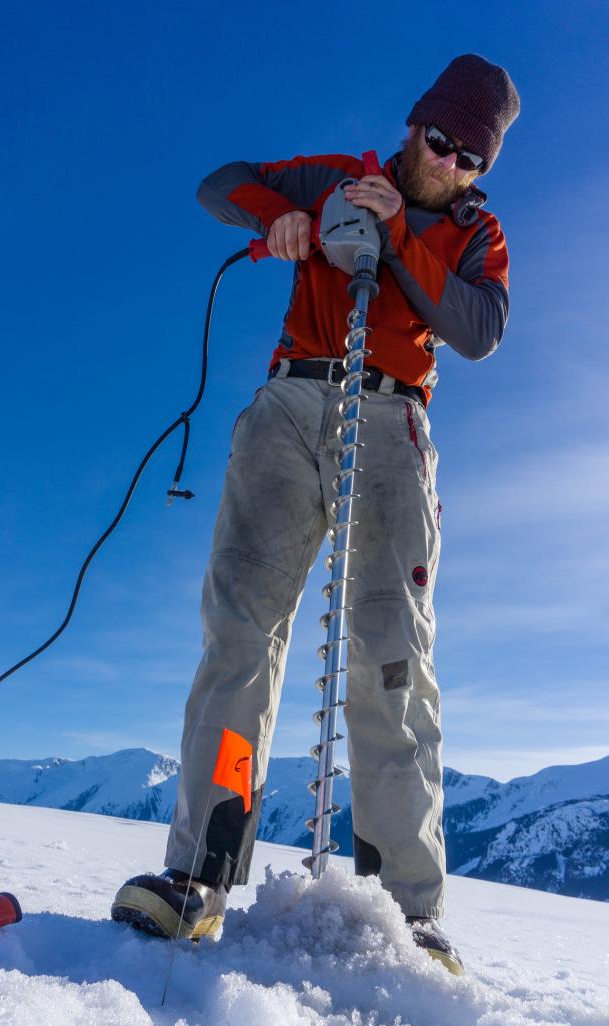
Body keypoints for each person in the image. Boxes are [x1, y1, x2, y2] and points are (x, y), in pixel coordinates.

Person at [111, 54, 520, 976]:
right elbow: (222, 185)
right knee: (240, 637)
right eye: (439, 139)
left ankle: (404, 918)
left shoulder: (477, 234)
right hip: (291, 406)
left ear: (479, 171)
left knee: (390, 661)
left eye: (468, 158)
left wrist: (392, 241)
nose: (448, 162)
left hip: (393, 419)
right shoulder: (338, 173)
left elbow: (479, 330)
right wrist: (284, 218)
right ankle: (201, 876)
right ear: (415, 124)